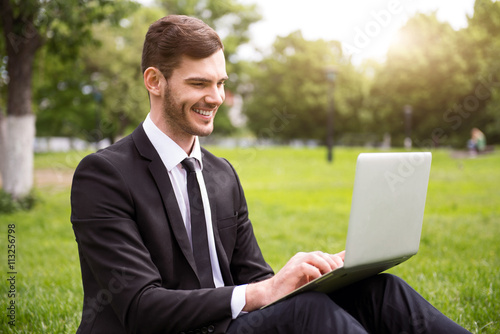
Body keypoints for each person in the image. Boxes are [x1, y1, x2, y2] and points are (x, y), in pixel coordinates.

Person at [70, 15, 471, 334]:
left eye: (221, 83)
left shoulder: (221, 174)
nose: (216, 98)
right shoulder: (104, 176)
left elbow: (256, 278)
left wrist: (313, 278)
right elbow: (140, 308)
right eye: (199, 83)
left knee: (379, 291)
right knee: (307, 314)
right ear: (154, 81)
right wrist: (266, 291)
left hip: (227, 325)